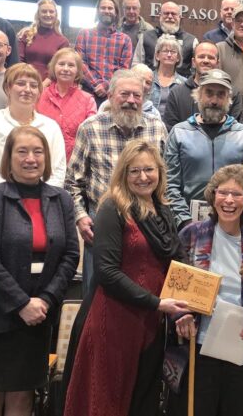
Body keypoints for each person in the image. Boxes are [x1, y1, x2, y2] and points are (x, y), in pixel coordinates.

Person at [64, 140, 188, 416]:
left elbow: (178, 262)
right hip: (116, 321)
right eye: (134, 171)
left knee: (142, 402)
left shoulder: (163, 210)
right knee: (109, 403)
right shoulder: (112, 208)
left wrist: (186, 305)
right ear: (123, 174)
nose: (143, 177)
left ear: (160, 172)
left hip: (151, 322)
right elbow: (107, 272)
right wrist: (156, 303)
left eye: (149, 170)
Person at [0, 126, 80, 416]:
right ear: (9, 157)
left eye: (38, 151)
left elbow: (70, 255)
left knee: (23, 395)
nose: (31, 158)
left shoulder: (61, 199)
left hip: (38, 315)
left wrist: (45, 299)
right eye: (22, 151)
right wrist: (20, 303)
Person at [164, 165, 243, 416]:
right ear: (212, 196)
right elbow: (173, 286)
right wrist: (179, 316)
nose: (229, 200)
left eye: (237, 194)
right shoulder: (191, 235)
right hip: (198, 350)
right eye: (223, 193)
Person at [65, 69, 168, 303]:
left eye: (137, 95)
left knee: (144, 293)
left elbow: (164, 179)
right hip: (102, 222)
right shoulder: (90, 128)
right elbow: (72, 182)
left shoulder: (157, 127)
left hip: (146, 224)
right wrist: (81, 217)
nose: (131, 100)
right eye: (124, 94)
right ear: (110, 96)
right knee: (97, 295)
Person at [165, 69, 243, 228]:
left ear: (229, 99)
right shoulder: (179, 133)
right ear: (198, 95)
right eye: (209, 93)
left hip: (234, 222)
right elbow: (170, 184)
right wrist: (185, 220)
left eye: (221, 94)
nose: (214, 100)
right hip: (187, 223)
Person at [0, 63, 66, 190]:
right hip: (0, 201)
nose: (27, 89)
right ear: (7, 88)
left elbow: (58, 171)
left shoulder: (51, 126)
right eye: (21, 83)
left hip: (44, 202)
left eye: (33, 86)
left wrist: (44, 199)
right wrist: (9, 200)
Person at [161, 41, 243, 130]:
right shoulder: (177, 93)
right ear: (193, 62)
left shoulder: (232, 93)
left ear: (217, 63)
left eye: (211, 57)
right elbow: (171, 130)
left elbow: (235, 130)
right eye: (201, 57)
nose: (206, 61)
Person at [37, 47, 97, 156]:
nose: (66, 69)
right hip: (42, 157)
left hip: (74, 161)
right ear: (53, 67)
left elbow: (91, 135)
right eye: (61, 64)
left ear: (78, 71)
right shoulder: (39, 96)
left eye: (71, 65)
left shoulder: (88, 100)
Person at [76, 0, 133, 103]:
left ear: (116, 13)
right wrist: (96, 84)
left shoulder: (125, 40)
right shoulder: (84, 34)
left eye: (110, 8)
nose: (106, 11)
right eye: (103, 8)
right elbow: (80, 63)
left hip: (113, 94)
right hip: (87, 92)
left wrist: (106, 85)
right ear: (97, 11)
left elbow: (123, 69)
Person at [134, 1, 198, 77]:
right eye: (166, 13)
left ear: (180, 17)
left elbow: (196, 70)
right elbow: (136, 64)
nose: (170, 16)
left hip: (181, 86)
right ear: (159, 16)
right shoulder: (145, 37)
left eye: (173, 14)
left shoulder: (192, 40)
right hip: (150, 85)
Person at [17, 0, 70, 82]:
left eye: (51, 11)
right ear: (38, 14)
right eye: (44, 11)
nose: (48, 14)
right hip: (24, 80)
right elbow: (19, 60)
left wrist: (43, 85)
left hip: (49, 86)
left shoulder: (63, 42)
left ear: (56, 14)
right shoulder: (26, 34)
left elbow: (60, 67)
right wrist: (26, 81)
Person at [149, 36, 187, 114]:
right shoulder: (148, 78)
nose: (169, 55)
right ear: (157, 56)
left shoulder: (184, 83)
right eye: (165, 51)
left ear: (178, 58)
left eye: (173, 52)